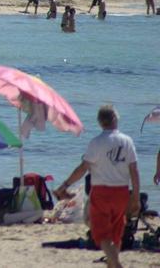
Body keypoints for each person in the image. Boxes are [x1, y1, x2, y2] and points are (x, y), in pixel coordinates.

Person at [54, 106, 140, 268]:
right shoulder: (127, 141)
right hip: (121, 192)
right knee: (116, 233)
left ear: (100, 123)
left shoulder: (96, 143)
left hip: (101, 192)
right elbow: (134, 171)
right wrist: (135, 196)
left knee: (101, 234)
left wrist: (64, 185)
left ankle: (115, 262)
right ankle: (112, 263)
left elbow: (82, 169)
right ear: (115, 119)